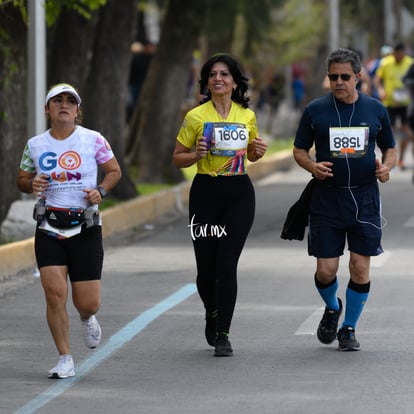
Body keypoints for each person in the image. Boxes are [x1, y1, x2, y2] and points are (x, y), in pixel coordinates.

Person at [293, 48, 396, 351]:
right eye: (333, 77)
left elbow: (389, 147)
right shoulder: (315, 110)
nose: (339, 82)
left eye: (345, 77)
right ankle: (332, 306)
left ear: (358, 77)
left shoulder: (375, 109)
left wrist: (386, 166)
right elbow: (299, 150)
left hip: (364, 199)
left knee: (359, 268)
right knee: (326, 270)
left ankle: (348, 328)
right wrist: (312, 166)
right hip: (327, 199)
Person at [16, 83, 122, 378]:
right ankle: (65, 357)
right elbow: (22, 178)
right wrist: (31, 184)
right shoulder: (35, 145)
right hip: (49, 226)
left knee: (87, 302)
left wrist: (101, 190)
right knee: (54, 293)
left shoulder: (93, 140)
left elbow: (114, 171)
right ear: (48, 109)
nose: (64, 105)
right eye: (57, 101)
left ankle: (87, 317)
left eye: (70, 101)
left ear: (77, 110)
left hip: (85, 227)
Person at [172, 53, 267, 357]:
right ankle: (212, 312)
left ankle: (223, 333)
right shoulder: (195, 117)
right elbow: (177, 157)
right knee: (206, 270)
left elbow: (250, 154)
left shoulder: (246, 116)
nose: (218, 79)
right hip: (206, 194)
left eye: (225, 74)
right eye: (213, 75)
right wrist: (196, 154)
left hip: (238, 193)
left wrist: (257, 150)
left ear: (235, 81)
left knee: (227, 264)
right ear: (206, 82)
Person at [374, 42, 413, 170]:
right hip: (390, 102)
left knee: (405, 130)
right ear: (393, 53)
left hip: (405, 103)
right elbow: (377, 79)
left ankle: (401, 159)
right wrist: (380, 90)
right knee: (388, 131)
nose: (398, 58)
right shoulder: (386, 62)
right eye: (396, 55)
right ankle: (387, 161)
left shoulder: (410, 63)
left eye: (401, 56)